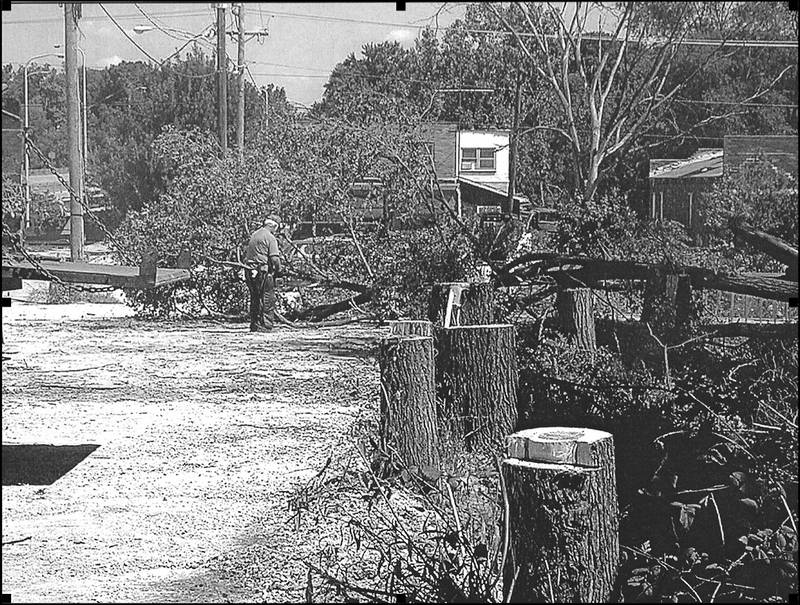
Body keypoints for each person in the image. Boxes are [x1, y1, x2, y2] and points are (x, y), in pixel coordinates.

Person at [244, 214, 283, 332]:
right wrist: (279, 270)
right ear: (274, 226)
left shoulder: (255, 234)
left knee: (255, 298)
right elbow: (275, 258)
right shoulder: (270, 238)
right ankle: (266, 325)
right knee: (267, 298)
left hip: (249, 270)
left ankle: (254, 324)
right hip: (262, 271)